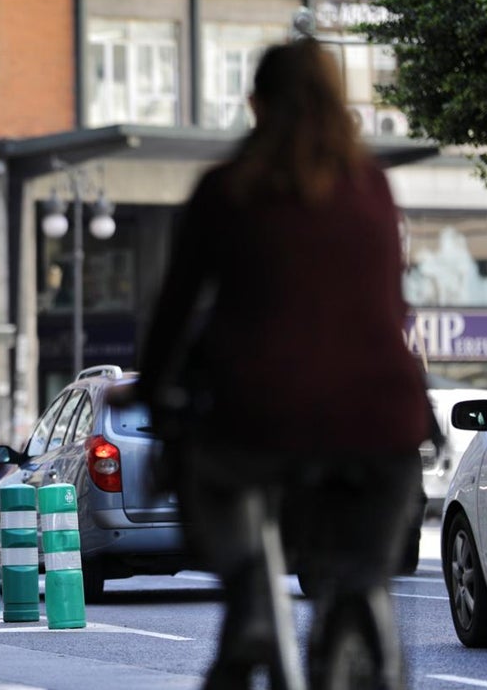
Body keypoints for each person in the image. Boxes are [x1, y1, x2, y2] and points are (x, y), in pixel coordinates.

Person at [111, 39, 428, 689]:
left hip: (258, 413)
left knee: (215, 478)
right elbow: (391, 307)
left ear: (254, 104)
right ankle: (360, 599)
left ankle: (252, 592)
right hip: (384, 416)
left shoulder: (226, 189)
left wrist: (152, 384)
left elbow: (173, 312)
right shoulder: (371, 186)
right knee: (364, 558)